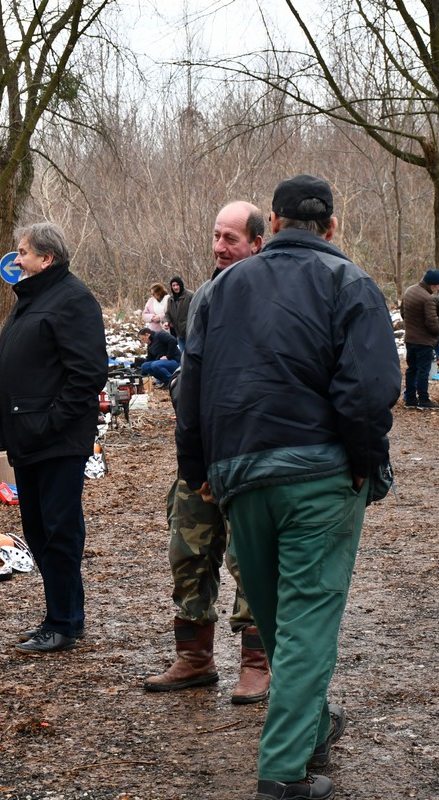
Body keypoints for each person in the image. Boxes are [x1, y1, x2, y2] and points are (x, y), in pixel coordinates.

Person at [176, 175, 399, 800]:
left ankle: (313, 724)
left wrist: (198, 472)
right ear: (331, 228)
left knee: (278, 616)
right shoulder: (350, 284)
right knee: (304, 620)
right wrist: (364, 462)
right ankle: (282, 770)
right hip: (318, 477)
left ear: (271, 225)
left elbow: (189, 392)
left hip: (240, 476)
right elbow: (369, 389)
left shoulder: (220, 292)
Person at [144, 200, 269, 706]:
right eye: (216, 236)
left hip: (250, 459)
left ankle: (256, 662)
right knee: (188, 553)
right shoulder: (204, 296)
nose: (219, 247)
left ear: (257, 243)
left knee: (251, 561)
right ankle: (195, 658)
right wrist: (192, 458)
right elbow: (192, 376)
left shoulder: (270, 296)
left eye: (231, 239)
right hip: (199, 457)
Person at [0, 222, 108, 654]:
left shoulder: (72, 300)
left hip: (57, 439)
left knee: (59, 531)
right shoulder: (33, 299)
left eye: (23, 252)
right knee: (39, 531)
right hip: (29, 438)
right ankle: (54, 615)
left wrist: (51, 421)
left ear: (47, 259)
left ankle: (65, 622)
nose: (16, 259)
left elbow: (87, 374)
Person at [400, 269, 439, 409]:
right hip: (424, 341)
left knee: (411, 369)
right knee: (423, 370)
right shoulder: (427, 298)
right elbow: (432, 323)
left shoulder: (409, 291)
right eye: (438, 286)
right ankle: (424, 399)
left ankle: (410, 399)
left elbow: (403, 313)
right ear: (432, 284)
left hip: (410, 338)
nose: (438, 289)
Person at [164, 276, 193, 352]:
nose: (176, 287)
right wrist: (166, 322)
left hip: (190, 332)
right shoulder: (170, 299)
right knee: (183, 354)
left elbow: (196, 312)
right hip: (178, 333)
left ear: (181, 285)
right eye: (173, 285)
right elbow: (167, 314)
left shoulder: (190, 295)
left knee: (192, 354)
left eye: (177, 285)